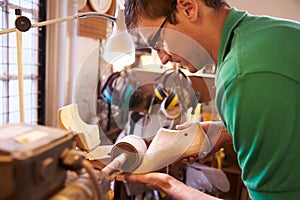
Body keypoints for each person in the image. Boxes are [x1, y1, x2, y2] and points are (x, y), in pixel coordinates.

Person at [121, 0, 300, 199]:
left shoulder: (242, 76)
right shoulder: (270, 32)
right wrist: (225, 132)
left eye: (158, 43)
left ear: (188, 8)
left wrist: (171, 185)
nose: (162, 59)